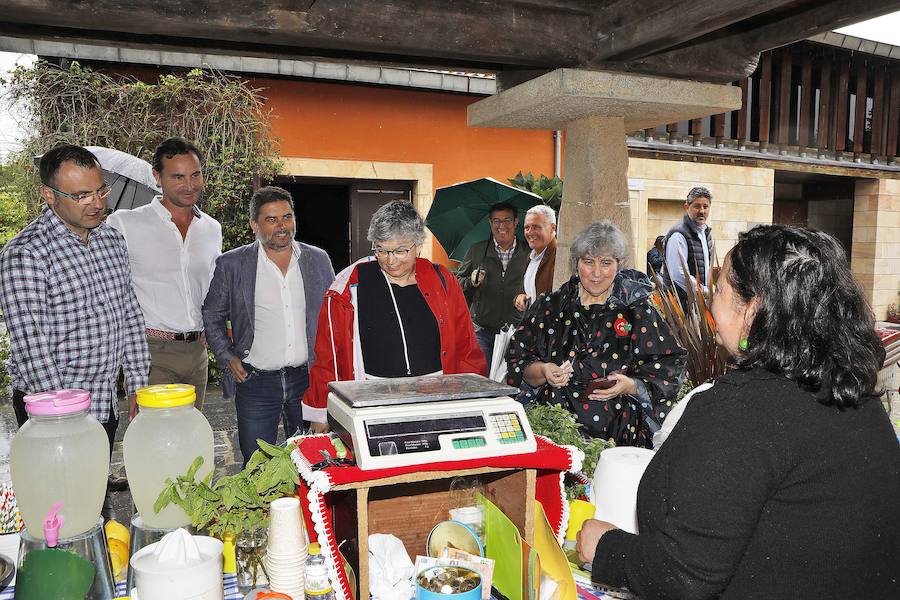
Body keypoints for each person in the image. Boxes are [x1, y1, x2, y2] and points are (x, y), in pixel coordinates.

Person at [577, 225, 900, 599]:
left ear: (754, 309)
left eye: (719, 290)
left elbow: (684, 575)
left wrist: (607, 549)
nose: (712, 303)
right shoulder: (856, 397)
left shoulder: (739, 413)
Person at [0, 145, 150, 451]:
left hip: (104, 401)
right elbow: (32, 347)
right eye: (81, 195)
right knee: (60, 497)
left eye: (101, 191)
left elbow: (130, 313)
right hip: (51, 412)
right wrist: (65, 417)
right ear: (49, 195)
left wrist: (136, 382)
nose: (96, 203)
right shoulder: (26, 253)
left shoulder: (111, 240)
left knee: (95, 494)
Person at [303, 200, 486, 431]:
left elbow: (465, 345)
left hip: (437, 400)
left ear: (418, 244)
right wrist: (320, 411)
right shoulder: (349, 287)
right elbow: (328, 355)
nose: (390, 260)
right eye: (381, 249)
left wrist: (472, 399)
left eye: (400, 251)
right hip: (373, 403)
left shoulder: (442, 280)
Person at [505, 220, 686, 447]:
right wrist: (543, 370)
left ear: (619, 264)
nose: (596, 273)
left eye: (606, 263)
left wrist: (630, 385)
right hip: (554, 432)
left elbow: (669, 364)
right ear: (576, 262)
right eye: (588, 262)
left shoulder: (638, 312)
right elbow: (518, 360)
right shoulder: (549, 307)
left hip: (617, 435)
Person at [202, 186, 334, 465]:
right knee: (255, 465)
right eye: (272, 220)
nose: (282, 226)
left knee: (312, 461)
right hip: (255, 382)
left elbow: (333, 318)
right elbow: (212, 314)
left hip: (307, 381)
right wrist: (227, 356)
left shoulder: (317, 260)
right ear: (254, 224)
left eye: (287, 217)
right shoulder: (232, 264)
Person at [107, 137, 221, 416]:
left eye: (195, 175)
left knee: (190, 439)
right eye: (178, 177)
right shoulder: (125, 224)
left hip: (197, 352)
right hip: (151, 352)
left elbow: (211, 287)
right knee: (154, 441)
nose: (190, 185)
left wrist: (213, 325)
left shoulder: (212, 228)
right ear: (157, 177)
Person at [456, 201, 530, 361]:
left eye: (507, 220)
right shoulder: (477, 251)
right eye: (497, 220)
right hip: (482, 332)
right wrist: (471, 282)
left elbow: (539, 286)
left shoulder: (528, 253)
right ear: (490, 223)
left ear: (516, 222)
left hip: (517, 331)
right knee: (483, 379)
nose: (501, 225)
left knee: (512, 380)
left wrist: (525, 295)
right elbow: (457, 285)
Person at [664, 186, 714, 306]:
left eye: (705, 206)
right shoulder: (678, 234)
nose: (702, 211)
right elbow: (678, 274)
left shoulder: (705, 233)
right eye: (697, 206)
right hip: (681, 305)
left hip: (700, 303)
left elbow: (707, 269)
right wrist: (704, 291)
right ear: (687, 207)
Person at [513, 204, 558, 312]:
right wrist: (519, 297)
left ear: (553, 228)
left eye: (536, 227)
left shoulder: (559, 257)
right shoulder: (531, 257)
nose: (530, 232)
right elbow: (526, 291)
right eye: (526, 227)